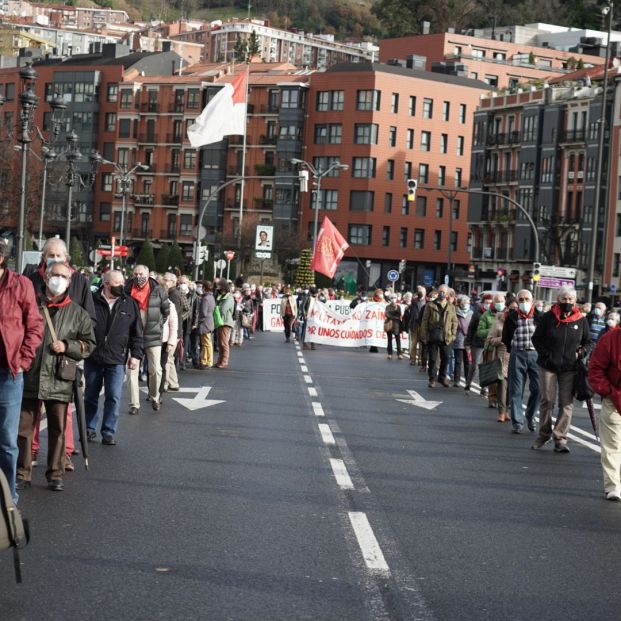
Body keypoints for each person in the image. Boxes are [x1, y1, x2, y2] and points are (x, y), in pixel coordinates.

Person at [17, 262, 95, 492]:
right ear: (46, 277)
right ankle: (23, 473)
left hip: (60, 377)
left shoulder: (78, 313)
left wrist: (68, 346)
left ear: (70, 281)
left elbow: (89, 344)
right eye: (54, 275)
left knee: (58, 429)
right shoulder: (32, 305)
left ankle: (55, 474)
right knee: (24, 429)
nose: (58, 279)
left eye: (63, 276)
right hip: (31, 374)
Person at [0, 239, 43, 502]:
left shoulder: (20, 284)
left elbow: (35, 327)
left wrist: (23, 361)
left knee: (6, 441)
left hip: (8, 373)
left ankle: (8, 499)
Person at [85, 271, 143, 445]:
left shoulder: (130, 304)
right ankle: (88, 428)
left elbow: (137, 333)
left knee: (113, 396)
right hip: (93, 356)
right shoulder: (92, 301)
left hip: (116, 358)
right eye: (117, 283)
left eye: (122, 282)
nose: (122, 286)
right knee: (90, 395)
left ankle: (108, 431)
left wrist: (136, 355)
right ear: (107, 284)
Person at [531, 286, 590, 452]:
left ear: (575, 301)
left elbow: (588, 342)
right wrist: (546, 355)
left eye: (570, 299)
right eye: (564, 299)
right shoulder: (549, 317)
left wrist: (581, 353)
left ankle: (560, 438)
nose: (567, 302)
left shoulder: (581, 319)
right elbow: (536, 339)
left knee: (566, 404)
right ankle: (543, 435)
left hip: (570, 368)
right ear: (558, 300)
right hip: (548, 366)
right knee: (547, 400)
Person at [125, 265, 169, 414]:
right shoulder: (127, 289)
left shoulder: (158, 290)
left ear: (148, 274)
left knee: (156, 369)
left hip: (153, 335)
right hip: (133, 336)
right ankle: (134, 404)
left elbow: (166, 311)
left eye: (141, 274)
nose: (139, 277)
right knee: (132, 370)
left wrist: (158, 326)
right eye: (136, 274)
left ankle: (155, 396)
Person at [588, 320, 621, 500]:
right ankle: (613, 486)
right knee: (612, 445)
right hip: (614, 400)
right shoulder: (609, 339)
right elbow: (595, 369)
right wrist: (608, 391)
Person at [502, 289, 542, 434]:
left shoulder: (540, 316)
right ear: (517, 302)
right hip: (517, 354)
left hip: (536, 355)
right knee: (516, 390)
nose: (524, 302)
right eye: (521, 299)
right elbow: (505, 337)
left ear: (532, 300)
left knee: (538, 389)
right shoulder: (512, 317)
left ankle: (530, 416)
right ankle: (517, 422)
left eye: (527, 299)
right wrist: (510, 350)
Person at [420, 284, 457, 388]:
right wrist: (424, 335)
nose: (442, 294)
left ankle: (442, 377)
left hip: (446, 336)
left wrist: (453, 335)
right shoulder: (430, 305)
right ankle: (432, 379)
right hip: (433, 335)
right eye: (440, 291)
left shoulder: (451, 307)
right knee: (432, 359)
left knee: (445, 358)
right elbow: (424, 321)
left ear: (447, 294)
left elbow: (455, 322)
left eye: (444, 292)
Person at [477, 293, 505, 409]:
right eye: (497, 302)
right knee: (493, 375)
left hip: (504, 350)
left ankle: (502, 400)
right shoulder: (486, 315)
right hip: (490, 349)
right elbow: (480, 332)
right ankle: (492, 398)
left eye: (501, 301)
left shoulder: (507, 315)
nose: (499, 304)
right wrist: (493, 330)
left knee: (503, 376)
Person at [464, 292, 494, 393]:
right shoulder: (477, 313)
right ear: (482, 303)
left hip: (489, 344)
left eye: (490, 303)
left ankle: (484, 387)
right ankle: (468, 384)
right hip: (477, 343)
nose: (488, 305)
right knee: (475, 365)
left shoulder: (494, 314)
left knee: (486, 366)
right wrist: (467, 343)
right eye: (486, 302)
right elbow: (471, 328)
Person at [485, 308, 510, 422]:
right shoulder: (498, 323)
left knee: (511, 388)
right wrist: (503, 338)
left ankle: (507, 411)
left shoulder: (518, 323)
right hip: (501, 358)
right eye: (510, 310)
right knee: (502, 386)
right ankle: (501, 412)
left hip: (515, 358)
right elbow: (490, 340)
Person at [161, 272, 182, 391]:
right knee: (170, 359)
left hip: (172, 333)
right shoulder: (172, 293)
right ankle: (173, 383)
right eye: (163, 279)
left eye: (166, 280)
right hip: (175, 332)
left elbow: (172, 317)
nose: (164, 281)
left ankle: (164, 383)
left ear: (173, 282)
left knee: (167, 359)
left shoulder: (173, 295)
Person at [453, 294, 473, 387]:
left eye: (467, 302)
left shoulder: (471, 313)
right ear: (459, 303)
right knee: (458, 361)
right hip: (458, 340)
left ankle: (467, 381)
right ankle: (456, 380)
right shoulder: (455, 313)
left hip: (468, 341)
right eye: (463, 302)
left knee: (467, 362)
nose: (465, 304)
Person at [214, 279, 235, 368]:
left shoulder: (229, 297)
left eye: (219, 287)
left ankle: (224, 361)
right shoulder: (222, 296)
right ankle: (220, 360)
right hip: (220, 321)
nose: (218, 289)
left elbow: (223, 309)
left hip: (225, 322)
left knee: (224, 343)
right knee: (220, 343)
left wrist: (216, 308)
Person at [198, 281, 215, 369]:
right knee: (207, 343)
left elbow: (203, 313)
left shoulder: (205, 298)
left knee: (206, 343)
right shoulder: (211, 297)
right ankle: (206, 360)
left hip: (205, 323)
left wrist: (198, 321)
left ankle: (207, 361)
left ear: (204, 288)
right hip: (210, 322)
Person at [384, 294, 403, 360]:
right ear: (390, 299)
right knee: (389, 339)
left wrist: (395, 310)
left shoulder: (398, 306)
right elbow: (387, 314)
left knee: (398, 339)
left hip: (396, 325)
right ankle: (389, 354)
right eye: (392, 298)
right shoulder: (387, 306)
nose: (393, 299)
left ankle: (399, 354)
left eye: (394, 298)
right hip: (389, 324)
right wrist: (394, 316)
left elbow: (399, 314)